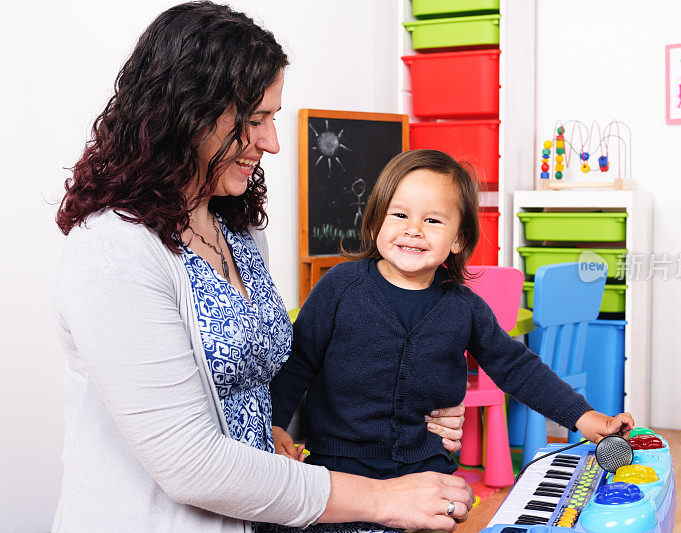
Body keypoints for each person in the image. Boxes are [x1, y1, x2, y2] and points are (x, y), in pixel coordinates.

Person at [52, 3, 473, 532]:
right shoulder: (112, 251)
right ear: (185, 114)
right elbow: (192, 464)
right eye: (255, 121)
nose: (272, 142)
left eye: (271, 118)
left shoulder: (238, 231)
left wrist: (403, 410)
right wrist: (384, 498)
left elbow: (260, 388)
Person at [269, 150, 635, 484]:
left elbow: (516, 366)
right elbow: (297, 362)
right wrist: (274, 425)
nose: (413, 229)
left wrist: (585, 417)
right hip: (338, 468)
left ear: (458, 239)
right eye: (399, 215)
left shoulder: (464, 307)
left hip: (425, 467)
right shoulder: (339, 287)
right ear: (375, 222)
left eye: (432, 220)